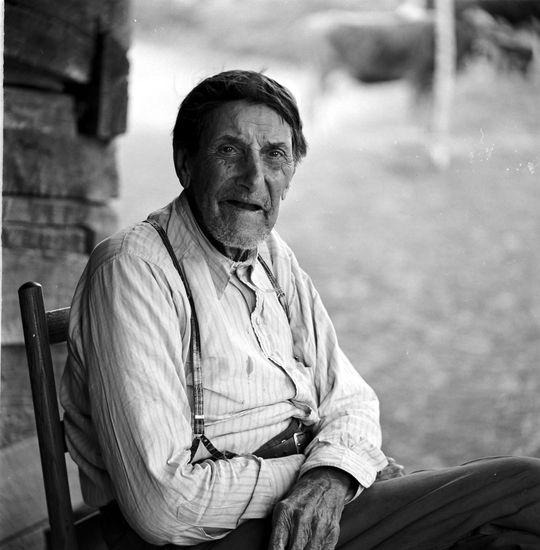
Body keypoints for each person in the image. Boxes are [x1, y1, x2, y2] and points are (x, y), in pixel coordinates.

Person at [61, 69, 540, 550]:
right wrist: (324, 473)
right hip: (210, 537)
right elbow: (162, 506)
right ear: (185, 163)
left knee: (497, 539)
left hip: (303, 515)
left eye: (275, 156)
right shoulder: (133, 270)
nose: (254, 178)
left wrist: (332, 473)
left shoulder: (271, 255)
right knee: (525, 487)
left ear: (291, 173)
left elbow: (349, 398)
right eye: (229, 151)